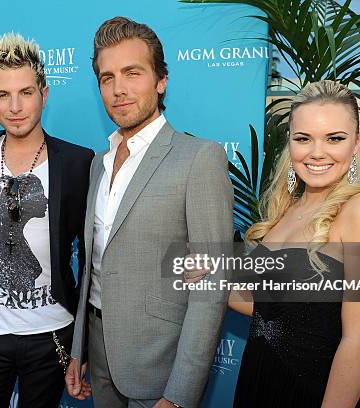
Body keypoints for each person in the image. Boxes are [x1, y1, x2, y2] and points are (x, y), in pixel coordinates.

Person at [65, 16, 233, 408]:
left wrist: (180, 394)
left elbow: (211, 287)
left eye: (132, 73)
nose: (118, 89)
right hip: (99, 353)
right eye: (107, 78)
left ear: (161, 80)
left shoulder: (199, 159)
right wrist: (79, 349)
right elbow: (92, 268)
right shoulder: (98, 163)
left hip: (161, 368)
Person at [228, 80, 360, 407]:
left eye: (335, 138)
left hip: (314, 393)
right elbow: (267, 309)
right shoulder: (286, 211)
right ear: (289, 142)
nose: (317, 153)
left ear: (357, 142)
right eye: (303, 138)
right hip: (258, 382)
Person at [0, 33, 93, 408]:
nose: (15, 106)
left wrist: (81, 343)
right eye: (3, 95)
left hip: (51, 333)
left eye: (26, 92)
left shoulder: (77, 162)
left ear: (44, 94)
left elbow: (88, 261)